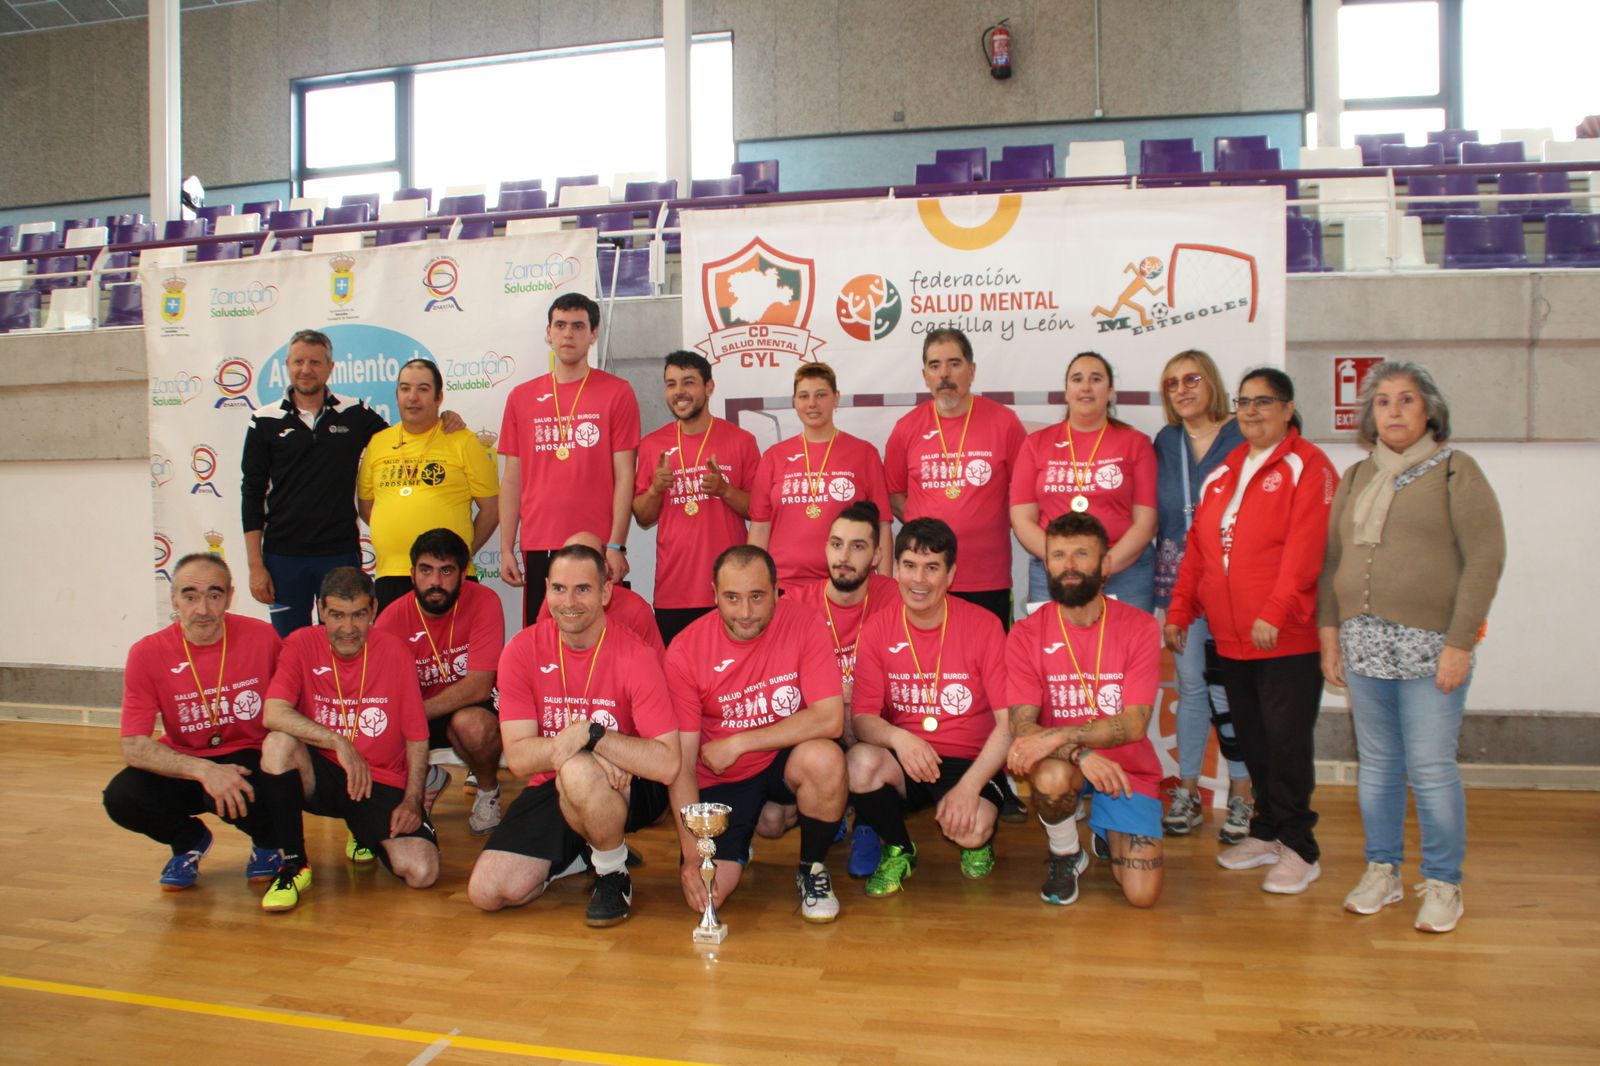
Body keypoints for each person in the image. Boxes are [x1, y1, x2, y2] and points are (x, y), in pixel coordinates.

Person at [1318, 362, 1505, 934]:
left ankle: (1445, 882)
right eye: (1382, 402)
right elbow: (1331, 565)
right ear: (1369, 415)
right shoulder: (1355, 477)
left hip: (1433, 646)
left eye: (1406, 400)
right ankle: (1383, 871)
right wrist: (1329, 636)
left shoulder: (1455, 471)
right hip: (1364, 640)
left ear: (1429, 411)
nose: (1394, 411)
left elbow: (1485, 560)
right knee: (1376, 767)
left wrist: (1460, 641)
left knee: (1429, 767)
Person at [1165, 368, 1338, 896]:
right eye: (1244, 402)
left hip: (1283, 637)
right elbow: (1197, 552)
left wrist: (1276, 610)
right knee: (1253, 743)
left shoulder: (1309, 467)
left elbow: (1306, 552)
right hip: (1231, 637)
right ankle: (1266, 833)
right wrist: (1179, 610)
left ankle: (1301, 849)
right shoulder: (1226, 472)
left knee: (1285, 747)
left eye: (1265, 402)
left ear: (1288, 409)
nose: (1252, 411)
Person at [468, 544, 679, 927]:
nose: (569, 602)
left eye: (583, 589)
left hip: (630, 782)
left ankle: (613, 873)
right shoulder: (520, 650)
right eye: (559, 589)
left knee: (579, 773)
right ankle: (587, 848)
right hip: (556, 781)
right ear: (546, 590)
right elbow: (517, 758)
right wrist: (583, 748)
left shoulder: (636, 655)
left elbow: (666, 764)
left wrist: (593, 735)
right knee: (489, 891)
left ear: (605, 593)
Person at [665, 546, 847, 923]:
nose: (745, 612)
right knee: (709, 895)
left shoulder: (805, 621)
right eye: (732, 598)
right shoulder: (684, 650)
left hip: (781, 756)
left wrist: (740, 742)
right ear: (713, 594)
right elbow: (680, 763)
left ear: (777, 590)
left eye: (757, 597)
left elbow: (830, 719)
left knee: (825, 758)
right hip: (724, 779)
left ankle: (811, 868)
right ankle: (743, 840)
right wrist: (693, 856)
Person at [253, 567, 437, 911]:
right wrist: (339, 742)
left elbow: (416, 737)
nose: (348, 629)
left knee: (422, 871)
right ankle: (295, 864)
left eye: (358, 616)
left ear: (374, 611)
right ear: (321, 610)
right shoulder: (300, 643)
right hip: (323, 771)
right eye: (336, 615)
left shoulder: (396, 653)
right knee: (278, 744)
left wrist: (413, 801)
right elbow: (273, 713)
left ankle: (364, 831)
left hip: (378, 778)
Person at [1006, 513, 1165, 909]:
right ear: (1047, 564)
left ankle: (1106, 826)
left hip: (1128, 767)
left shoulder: (1141, 627)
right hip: (1071, 763)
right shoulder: (1026, 633)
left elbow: (1134, 724)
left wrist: (1061, 734)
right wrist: (1079, 752)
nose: (1069, 565)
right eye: (1058, 555)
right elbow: (1023, 726)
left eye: (1081, 553)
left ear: (1105, 564)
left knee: (1142, 896)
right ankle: (1066, 854)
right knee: (1051, 777)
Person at [847, 518, 1011, 897]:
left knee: (970, 832)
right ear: (896, 568)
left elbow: (1009, 725)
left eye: (932, 567)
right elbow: (863, 718)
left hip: (972, 760)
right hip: (912, 759)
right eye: (909, 565)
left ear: (951, 574)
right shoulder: (876, 629)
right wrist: (899, 738)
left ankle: (980, 840)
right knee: (859, 763)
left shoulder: (984, 625)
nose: (918, 580)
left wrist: (970, 787)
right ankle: (900, 848)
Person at [103, 554, 285, 890]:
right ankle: (188, 840)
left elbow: (290, 709)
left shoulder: (263, 638)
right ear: (174, 599)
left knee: (247, 787)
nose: (202, 609)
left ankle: (268, 842)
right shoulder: (146, 654)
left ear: (229, 597)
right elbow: (133, 747)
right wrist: (203, 771)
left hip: (248, 755)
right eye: (190, 596)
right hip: (187, 760)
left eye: (213, 596)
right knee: (121, 796)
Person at [1151, 350, 1252, 841]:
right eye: (1172, 384)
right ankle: (1187, 791)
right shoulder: (1165, 441)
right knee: (1192, 689)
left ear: (1212, 380)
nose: (1183, 389)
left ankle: (1243, 795)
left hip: (1234, 585)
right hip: (1179, 585)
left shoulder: (1242, 435)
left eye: (1192, 378)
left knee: (1235, 691)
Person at [499, 293, 640, 625]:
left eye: (578, 326)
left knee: (595, 643)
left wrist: (616, 544)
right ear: (548, 333)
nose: (568, 334)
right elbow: (512, 479)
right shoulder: (521, 397)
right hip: (539, 542)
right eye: (560, 325)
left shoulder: (617, 392)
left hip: (597, 543)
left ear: (593, 334)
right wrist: (507, 547)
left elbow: (625, 477)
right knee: (542, 645)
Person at [241, 329, 388, 637]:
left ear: (330, 368)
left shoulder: (354, 412)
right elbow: (251, 494)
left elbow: (403, 443)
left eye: (315, 362)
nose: (305, 369)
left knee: (343, 642)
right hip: (282, 557)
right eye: (298, 361)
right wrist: (256, 566)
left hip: (339, 554)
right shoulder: (263, 420)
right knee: (288, 646)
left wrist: (444, 421)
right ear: (288, 365)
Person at [884, 329, 1026, 630]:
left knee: (989, 670)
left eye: (954, 363)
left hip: (987, 579)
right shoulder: (906, 428)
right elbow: (896, 496)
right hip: (925, 582)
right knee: (928, 669)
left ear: (972, 370)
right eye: (935, 366)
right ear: (925, 376)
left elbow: (1024, 494)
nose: (944, 374)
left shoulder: (1005, 423)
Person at [788, 501, 901, 876]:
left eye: (857, 546)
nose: (844, 556)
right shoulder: (796, 605)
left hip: (877, 723)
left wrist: (861, 693)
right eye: (836, 544)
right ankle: (833, 805)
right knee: (770, 821)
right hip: (822, 720)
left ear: (876, 555)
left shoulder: (897, 598)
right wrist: (837, 693)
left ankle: (867, 819)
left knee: (860, 712)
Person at [372, 528, 506, 835]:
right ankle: (426, 779)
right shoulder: (390, 621)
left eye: (446, 571)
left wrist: (413, 715)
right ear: (412, 574)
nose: (435, 582)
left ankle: (488, 792)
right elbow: (386, 697)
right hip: (420, 708)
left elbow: (480, 685)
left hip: (469, 704)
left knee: (472, 726)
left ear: (462, 575)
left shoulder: (485, 600)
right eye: (426, 570)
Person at [1010, 351, 1157, 612]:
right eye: (1077, 379)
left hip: (1124, 571)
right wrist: (1061, 561)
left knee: (1124, 652)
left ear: (1110, 391)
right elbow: (1022, 519)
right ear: (1066, 392)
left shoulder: (1137, 443)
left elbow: (1146, 523)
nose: (1086, 387)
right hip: (1053, 573)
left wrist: (1103, 565)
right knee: (1057, 652)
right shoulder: (1036, 444)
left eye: (1096, 379)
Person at [634, 350, 760, 647]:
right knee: (679, 684)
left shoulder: (741, 441)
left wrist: (725, 490)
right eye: (671, 384)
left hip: (731, 591)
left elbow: (758, 510)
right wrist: (655, 489)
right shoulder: (652, 445)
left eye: (688, 382)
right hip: (674, 592)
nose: (679, 392)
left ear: (709, 387)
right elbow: (642, 517)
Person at [359, 358, 499, 613]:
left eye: (422, 389)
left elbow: (491, 509)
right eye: (404, 388)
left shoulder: (462, 440)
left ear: (438, 397)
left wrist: (459, 555)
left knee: (451, 652)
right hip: (391, 575)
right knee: (394, 651)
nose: (412, 397)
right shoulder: (378, 443)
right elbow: (367, 507)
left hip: (447, 576)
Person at [748, 363, 892, 593]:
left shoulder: (864, 453)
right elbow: (759, 528)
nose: (812, 404)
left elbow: (883, 525)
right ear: (794, 401)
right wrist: (756, 584)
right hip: (784, 587)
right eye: (804, 396)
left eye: (821, 395)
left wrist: (886, 587)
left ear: (836, 398)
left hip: (846, 585)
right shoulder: (774, 457)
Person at [536, 532, 666, 660]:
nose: (569, 602)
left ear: (604, 567)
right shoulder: (554, 604)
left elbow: (655, 668)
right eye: (570, 559)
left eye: (587, 559)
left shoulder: (635, 609)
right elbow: (541, 660)